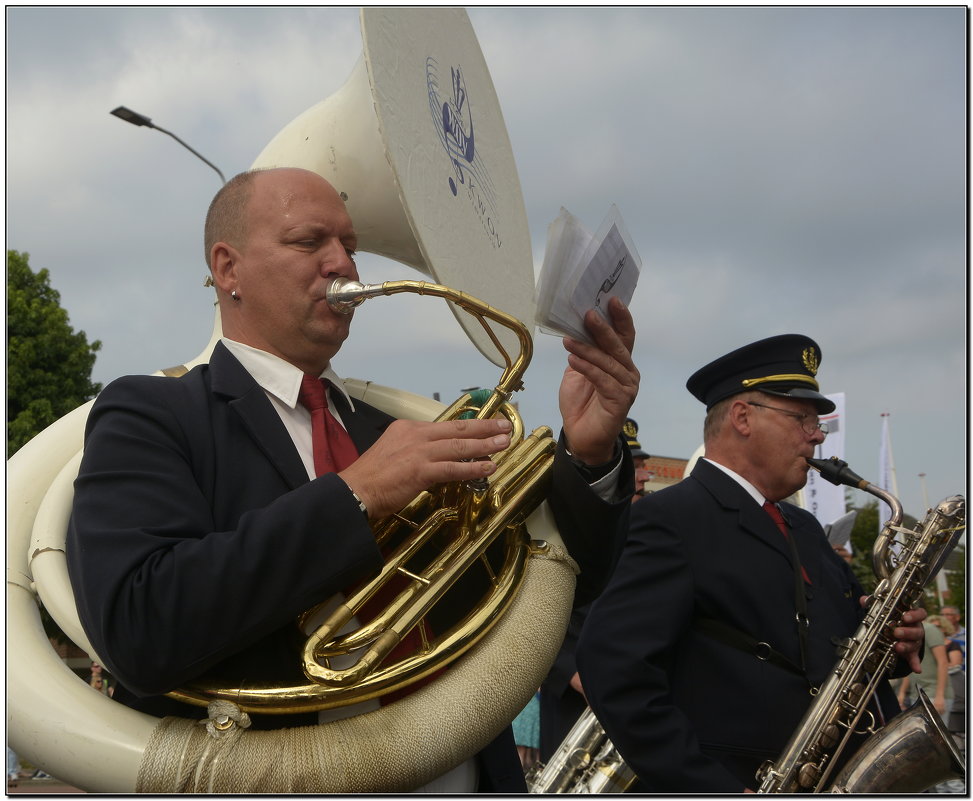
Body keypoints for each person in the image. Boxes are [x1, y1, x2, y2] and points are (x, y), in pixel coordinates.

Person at [65, 167, 639, 793]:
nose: (344, 263)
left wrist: (588, 455)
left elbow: (548, 585)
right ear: (228, 269)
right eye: (310, 242)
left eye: (350, 246)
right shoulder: (151, 412)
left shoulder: (394, 430)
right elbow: (140, 626)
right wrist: (357, 495)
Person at [577, 334, 926, 792]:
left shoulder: (802, 527)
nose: (818, 434)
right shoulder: (670, 518)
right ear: (742, 417)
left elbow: (833, 645)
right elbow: (615, 670)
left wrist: (895, 645)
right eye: (802, 418)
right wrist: (707, 787)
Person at [538, 418, 648, 763]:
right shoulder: (561, 528)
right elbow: (535, 612)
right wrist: (571, 672)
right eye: (638, 468)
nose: (642, 477)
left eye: (642, 467)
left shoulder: (650, 531)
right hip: (576, 709)